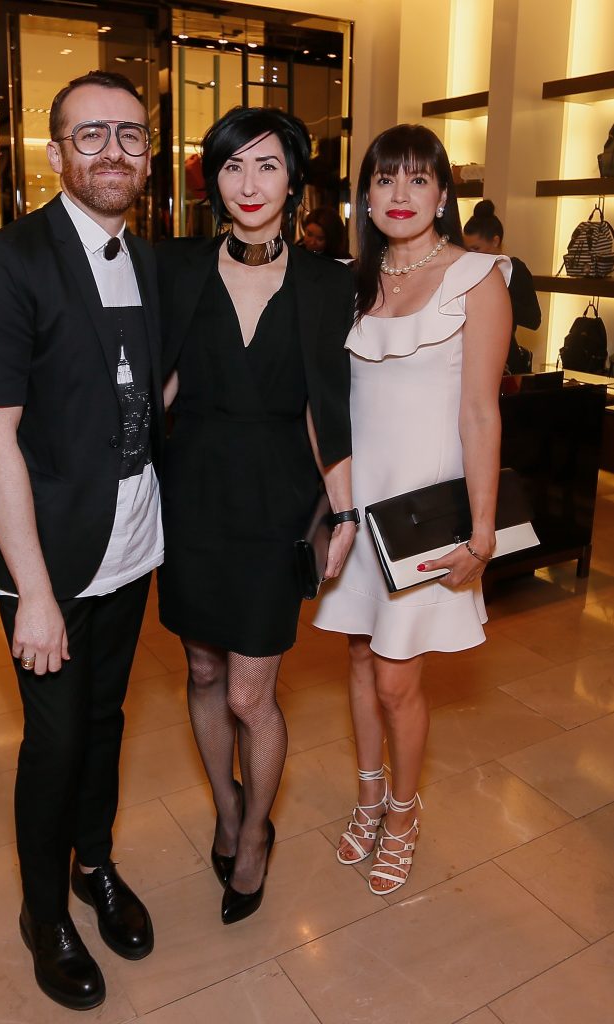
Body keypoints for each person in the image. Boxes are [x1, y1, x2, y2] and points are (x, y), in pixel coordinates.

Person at [0, 70, 163, 1010]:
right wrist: (34, 594)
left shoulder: (150, 259)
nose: (112, 151)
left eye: (130, 134)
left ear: (150, 153)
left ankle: (95, 865)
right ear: (54, 154)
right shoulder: (10, 259)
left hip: (129, 545)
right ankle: (46, 914)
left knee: (108, 721)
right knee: (54, 739)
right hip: (43, 557)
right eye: (90, 135)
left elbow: (139, 394)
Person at [157, 106, 356, 925]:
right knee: (201, 671)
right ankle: (228, 807)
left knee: (249, 692)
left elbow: (326, 409)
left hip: (275, 501)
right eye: (233, 166)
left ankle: (256, 838)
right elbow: (156, 387)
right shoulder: (174, 269)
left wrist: (341, 513)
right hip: (190, 493)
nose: (249, 183)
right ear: (213, 181)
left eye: (267, 166)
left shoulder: (326, 282)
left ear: (293, 182)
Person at [314, 124, 511, 894]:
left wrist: (483, 528)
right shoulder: (346, 282)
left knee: (398, 676)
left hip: (426, 511)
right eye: (384, 180)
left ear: (442, 194)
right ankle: (367, 794)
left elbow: (480, 416)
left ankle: (403, 810)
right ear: (363, 194)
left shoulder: (477, 277)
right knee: (360, 658)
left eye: (417, 180)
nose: (400, 195)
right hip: (358, 507)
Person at [463, 199, 541, 374]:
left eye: (476, 248)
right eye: (467, 249)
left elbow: (533, 319)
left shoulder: (515, 270)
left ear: (495, 241)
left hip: (504, 360)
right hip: (466, 357)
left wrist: (498, 298)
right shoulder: (464, 270)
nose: (470, 255)